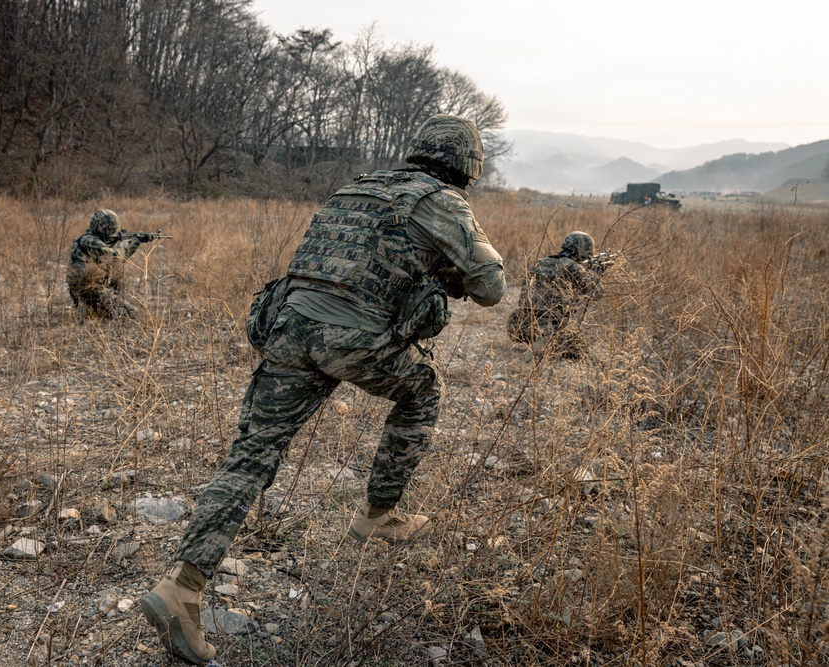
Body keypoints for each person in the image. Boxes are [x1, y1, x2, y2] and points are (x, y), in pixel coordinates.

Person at [139, 114, 506, 664]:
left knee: (254, 452)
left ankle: (182, 586)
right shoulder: (441, 202)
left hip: (288, 328)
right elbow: (492, 290)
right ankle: (378, 516)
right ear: (465, 167)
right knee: (424, 390)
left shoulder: (355, 188)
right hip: (353, 337)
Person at [506, 231, 603, 360]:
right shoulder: (574, 267)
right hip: (553, 321)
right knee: (579, 351)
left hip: (524, 320)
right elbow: (597, 293)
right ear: (584, 250)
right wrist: (594, 273)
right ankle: (540, 347)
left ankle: (540, 339)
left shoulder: (543, 262)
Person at [67, 209, 143, 319]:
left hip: (87, 290)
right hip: (90, 290)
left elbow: (119, 259)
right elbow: (116, 257)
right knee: (132, 313)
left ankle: (89, 311)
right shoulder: (91, 241)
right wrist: (122, 243)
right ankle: (88, 311)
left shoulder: (87, 239)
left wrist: (135, 244)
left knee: (107, 316)